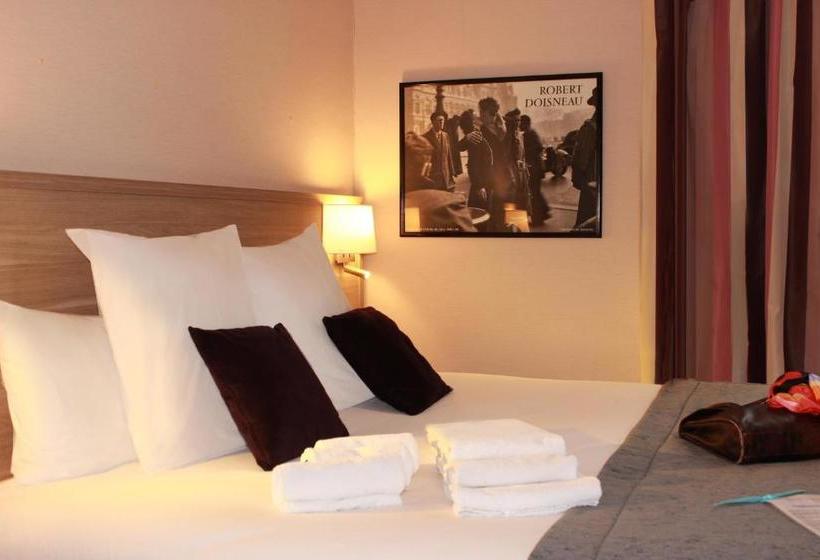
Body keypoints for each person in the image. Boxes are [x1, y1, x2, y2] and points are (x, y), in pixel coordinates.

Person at [457, 110, 497, 230]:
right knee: (480, 217)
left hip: (483, 183)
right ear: (473, 122)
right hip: (482, 183)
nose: (479, 118)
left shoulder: (477, 135)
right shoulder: (476, 136)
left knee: (479, 216)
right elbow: (473, 164)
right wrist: (480, 186)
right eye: (475, 117)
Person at [571, 87, 600, 228]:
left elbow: (583, 156)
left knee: (586, 217)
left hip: (591, 176)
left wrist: (578, 173)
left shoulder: (590, 127)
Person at [520, 114, 552, 225]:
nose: (519, 126)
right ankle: (543, 214)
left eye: (521, 123)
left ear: (525, 123)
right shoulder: (531, 133)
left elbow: (536, 148)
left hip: (534, 169)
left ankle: (538, 218)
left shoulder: (529, 134)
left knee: (534, 193)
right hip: (536, 168)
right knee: (535, 193)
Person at [422, 111, 456, 191]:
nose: (442, 122)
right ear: (433, 122)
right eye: (439, 120)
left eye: (443, 120)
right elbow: (425, 160)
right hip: (433, 177)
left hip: (446, 176)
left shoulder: (445, 135)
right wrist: (424, 176)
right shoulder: (425, 137)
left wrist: (452, 172)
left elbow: (449, 155)